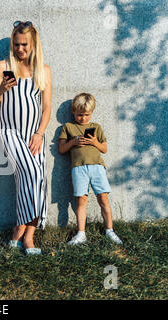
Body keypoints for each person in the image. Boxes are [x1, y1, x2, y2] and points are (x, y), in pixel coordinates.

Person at [0, 21, 52, 255]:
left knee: (37, 181)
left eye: (25, 44)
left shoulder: (43, 70)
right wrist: (2, 88)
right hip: (10, 133)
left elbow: (46, 109)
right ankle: (19, 231)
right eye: (16, 44)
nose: (20, 49)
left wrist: (40, 133)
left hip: (34, 136)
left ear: (33, 44)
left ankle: (27, 236)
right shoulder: (3, 66)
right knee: (32, 174)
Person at [58, 93, 123, 245]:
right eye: (80, 115)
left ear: (91, 113)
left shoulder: (96, 127)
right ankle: (81, 233)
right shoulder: (68, 127)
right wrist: (73, 142)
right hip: (78, 168)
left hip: (97, 168)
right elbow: (62, 149)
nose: (83, 118)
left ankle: (109, 230)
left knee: (103, 198)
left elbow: (104, 149)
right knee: (81, 200)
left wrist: (94, 142)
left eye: (87, 115)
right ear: (73, 111)